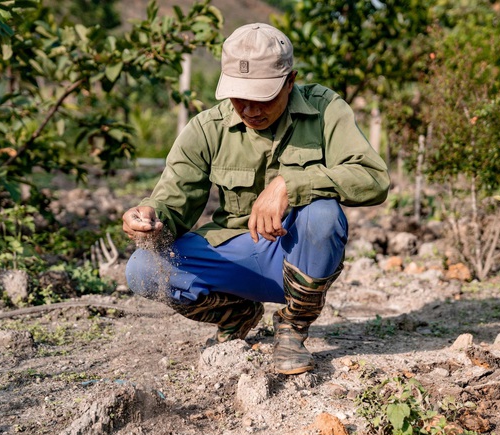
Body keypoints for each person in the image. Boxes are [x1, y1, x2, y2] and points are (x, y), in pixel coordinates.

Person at [122, 23, 389, 375]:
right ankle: (237, 314)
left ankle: (292, 327)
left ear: (290, 81)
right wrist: (150, 218)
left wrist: (290, 184)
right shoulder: (206, 128)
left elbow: (374, 178)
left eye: (262, 97)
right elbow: (173, 203)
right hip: (234, 255)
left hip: (301, 256)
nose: (249, 109)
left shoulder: (326, 111)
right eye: (238, 97)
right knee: (142, 270)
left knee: (322, 215)